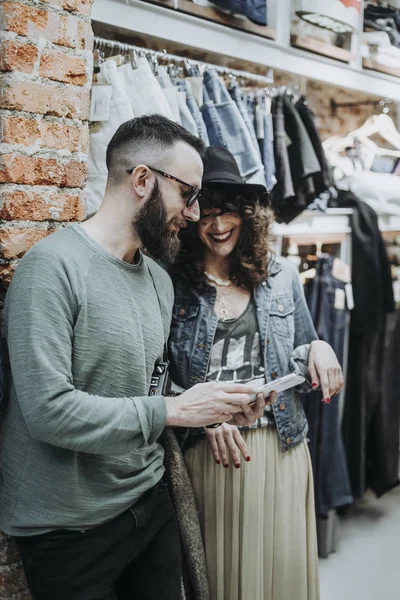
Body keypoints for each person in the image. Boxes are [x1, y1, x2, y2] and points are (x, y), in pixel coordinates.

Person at [0, 116, 266, 600]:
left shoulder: (159, 280)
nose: (193, 213)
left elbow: (146, 391)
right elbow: (49, 412)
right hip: (69, 530)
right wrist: (173, 409)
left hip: (149, 501)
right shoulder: (51, 269)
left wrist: (208, 411)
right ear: (143, 180)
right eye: (188, 194)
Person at [168, 146, 345, 600]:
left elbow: (302, 353)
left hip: (281, 449)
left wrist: (320, 347)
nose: (218, 224)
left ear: (248, 216)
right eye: (205, 213)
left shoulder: (280, 274)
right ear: (191, 218)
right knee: (219, 577)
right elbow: (154, 376)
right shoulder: (172, 283)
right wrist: (206, 419)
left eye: (228, 212)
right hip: (212, 452)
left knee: (277, 576)